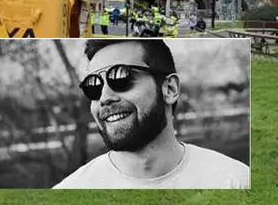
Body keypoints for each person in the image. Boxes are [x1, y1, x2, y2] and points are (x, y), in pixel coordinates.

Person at [53, 39, 250, 189]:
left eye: (121, 78)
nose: (104, 98)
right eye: (93, 86)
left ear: (170, 89)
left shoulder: (235, 182)